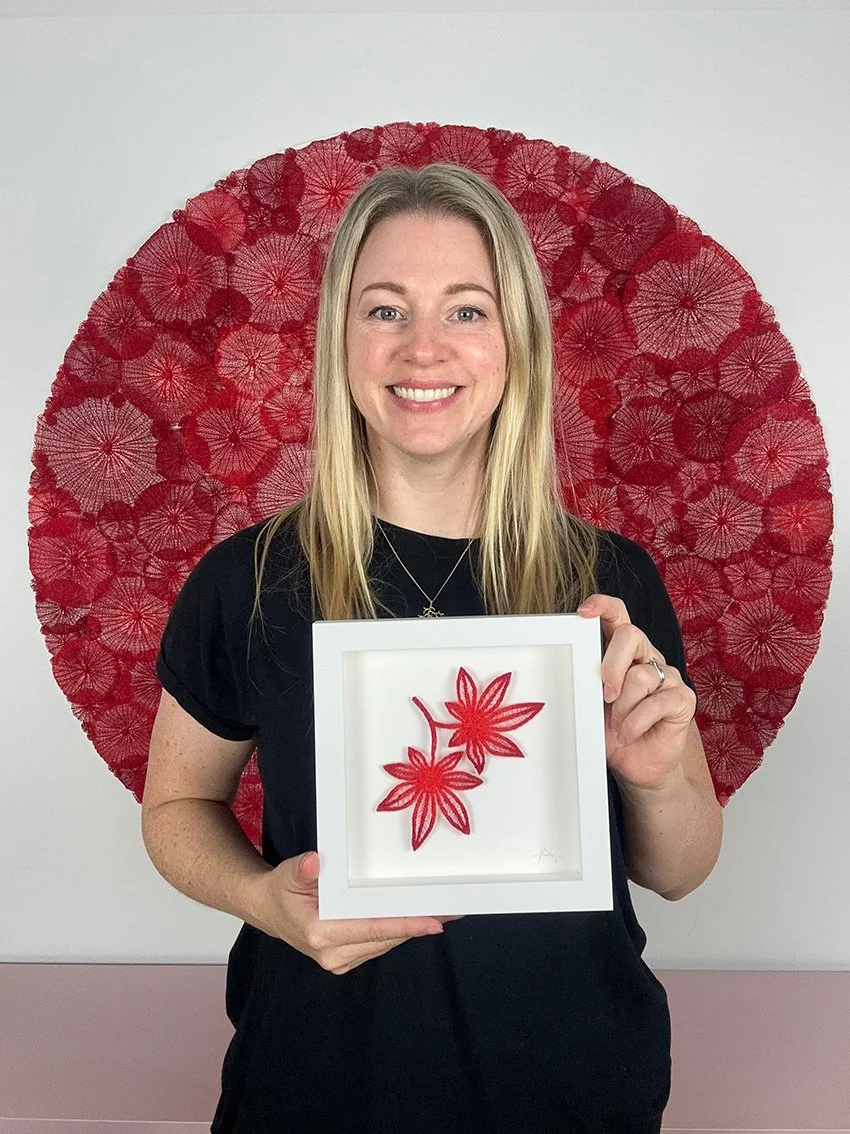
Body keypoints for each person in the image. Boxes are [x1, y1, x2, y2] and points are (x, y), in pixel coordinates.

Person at [142, 163, 723, 1133]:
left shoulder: (608, 581)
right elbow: (175, 806)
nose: (423, 347)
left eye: (465, 310)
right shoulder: (248, 580)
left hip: (576, 1093)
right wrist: (260, 897)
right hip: (316, 1090)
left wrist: (655, 779)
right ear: (341, 339)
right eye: (385, 310)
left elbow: (679, 869)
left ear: (515, 341)